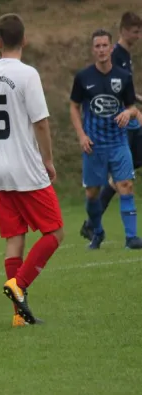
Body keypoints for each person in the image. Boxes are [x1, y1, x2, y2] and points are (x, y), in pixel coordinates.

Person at [0, 13, 64, 325]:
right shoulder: (28, 75)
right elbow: (40, 122)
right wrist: (48, 161)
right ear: (23, 40)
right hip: (26, 168)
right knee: (54, 231)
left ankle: (19, 316)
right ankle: (19, 285)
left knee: (14, 238)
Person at [70, 29, 142, 250]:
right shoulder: (83, 77)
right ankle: (97, 231)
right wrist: (81, 136)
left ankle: (131, 238)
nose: (101, 50)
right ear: (93, 50)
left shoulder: (124, 77)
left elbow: (131, 106)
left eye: (105, 46)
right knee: (92, 192)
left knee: (126, 185)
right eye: (97, 46)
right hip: (94, 145)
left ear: (111, 48)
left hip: (118, 143)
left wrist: (128, 113)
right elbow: (74, 106)